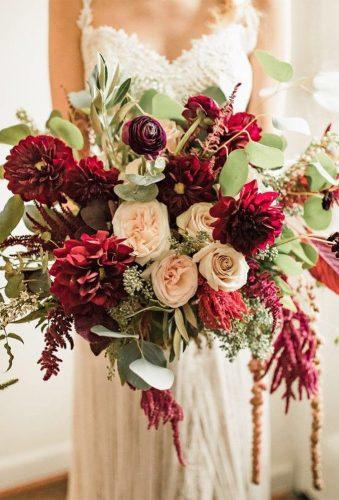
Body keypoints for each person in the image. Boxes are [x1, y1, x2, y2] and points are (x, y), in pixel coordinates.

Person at [49, 1, 290, 498]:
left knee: (210, 446)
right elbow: (68, 146)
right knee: (126, 455)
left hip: (222, 280)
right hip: (115, 291)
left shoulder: (263, 4)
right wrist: (100, 267)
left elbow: (267, 151)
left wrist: (226, 257)